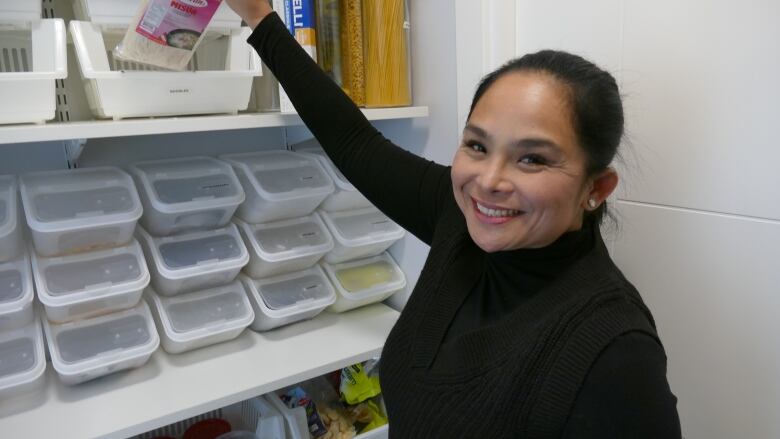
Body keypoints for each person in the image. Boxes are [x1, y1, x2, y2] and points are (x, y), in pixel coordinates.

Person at [225, 1, 682, 437]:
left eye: (533, 160)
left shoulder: (614, 353)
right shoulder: (458, 217)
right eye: (478, 146)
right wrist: (259, 16)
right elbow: (354, 142)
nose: (488, 181)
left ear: (595, 190)